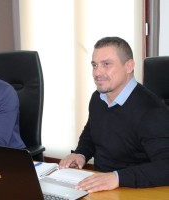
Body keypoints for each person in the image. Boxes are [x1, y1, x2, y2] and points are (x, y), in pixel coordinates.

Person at [59, 36, 169, 192]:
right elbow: (91, 134)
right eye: (94, 65)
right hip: (99, 186)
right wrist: (81, 154)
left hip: (135, 190)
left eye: (106, 64)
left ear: (129, 66)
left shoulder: (151, 111)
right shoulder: (98, 98)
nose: (97, 72)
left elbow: (166, 166)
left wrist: (117, 177)